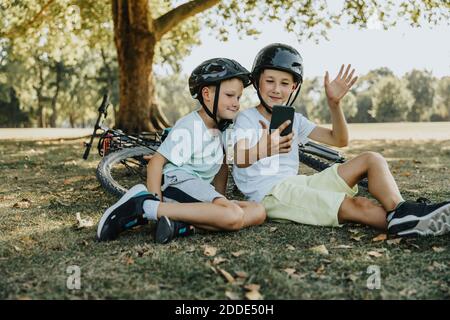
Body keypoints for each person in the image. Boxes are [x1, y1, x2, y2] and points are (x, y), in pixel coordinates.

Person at [232, 43, 450, 237]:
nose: (277, 89)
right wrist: (264, 148)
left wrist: (334, 105)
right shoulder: (246, 118)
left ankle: (401, 210)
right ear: (257, 82)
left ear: (294, 87)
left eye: (284, 83)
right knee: (358, 205)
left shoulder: (295, 120)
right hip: (270, 195)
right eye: (270, 81)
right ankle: (412, 221)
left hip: (299, 184)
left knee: (371, 159)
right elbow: (239, 157)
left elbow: (339, 139)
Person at [97, 58, 266, 243]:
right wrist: (156, 201)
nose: (236, 103)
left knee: (258, 211)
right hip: (178, 184)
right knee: (233, 215)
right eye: (230, 95)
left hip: (197, 190)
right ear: (207, 94)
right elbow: (156, 163)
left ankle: (180, 224)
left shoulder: (224, 129)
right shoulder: (191, 126)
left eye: (238, 97)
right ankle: (145, 206)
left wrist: (219, 203)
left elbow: (222, 167)